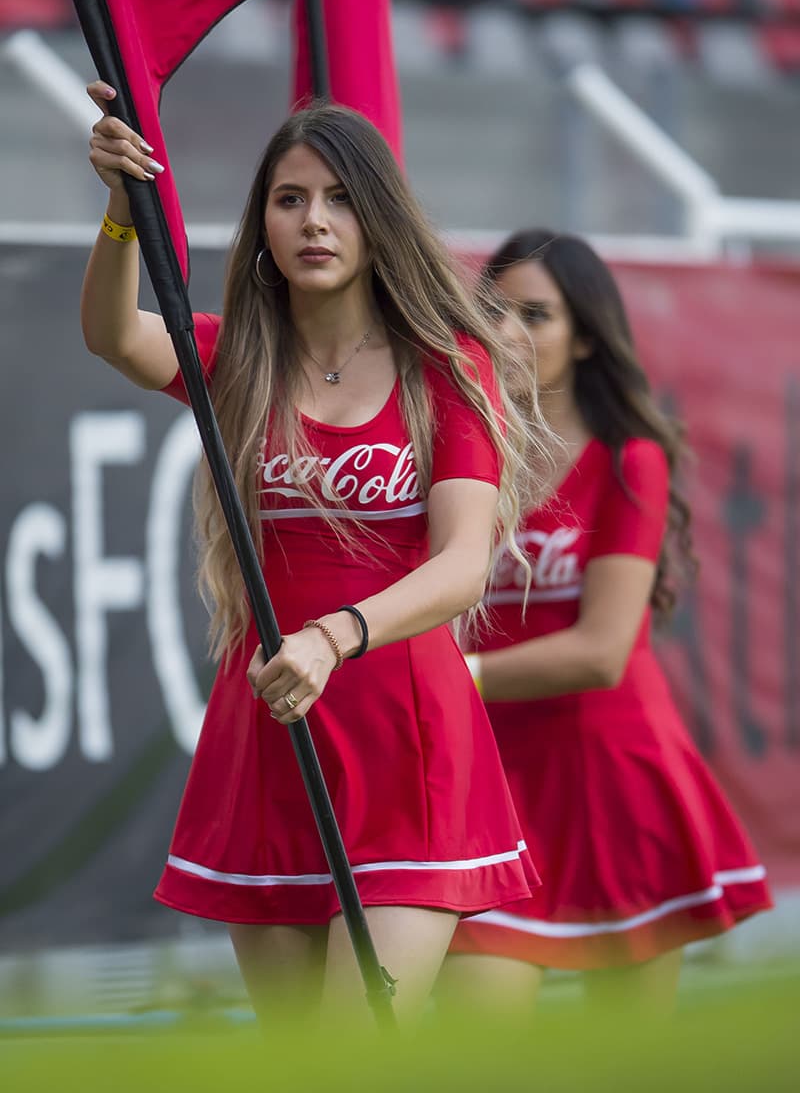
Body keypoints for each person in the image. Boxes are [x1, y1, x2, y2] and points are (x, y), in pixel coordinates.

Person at [80, 84, 548, 1025]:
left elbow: (464, 564)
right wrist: (124, 214)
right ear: (263, 225)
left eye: (339, 198)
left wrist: (335, 636)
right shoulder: (240, 360)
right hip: (273, 733)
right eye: (289, 200)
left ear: (378, 219)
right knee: (295, 1062)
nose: (314, 222)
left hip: (407, 743)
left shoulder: (447, 363)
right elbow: (115, 338)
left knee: (356, 1052)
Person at [441, 229, 772, 1014]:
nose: (510, 334)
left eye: (537, 315)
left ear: (586, 336)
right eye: (493, 312)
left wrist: (448, 678)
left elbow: (601, 653)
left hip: (609, 777)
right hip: (489, 777)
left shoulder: (630, 460)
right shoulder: (459, 451)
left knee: (626, 1058)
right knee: (475, 1039)